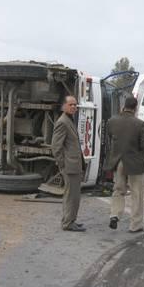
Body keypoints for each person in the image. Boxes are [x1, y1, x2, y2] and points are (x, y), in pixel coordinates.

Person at [105, 96, 144, 233]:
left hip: (118, 161)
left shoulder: (112, 121)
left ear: (124, 106)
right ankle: (135, 225)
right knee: (137, 193)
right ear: (135, 108)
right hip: (135, 163)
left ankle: (114, 215)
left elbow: (110, 137)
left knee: (118, 190)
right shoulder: (139, 124)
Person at [51, 96, 86, 232]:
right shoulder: (62, 122)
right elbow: (56, 146)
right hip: (69, 166)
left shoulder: (69, 120)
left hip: (74, 165)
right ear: (64, 106)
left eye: (75, 105)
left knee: (74, 195)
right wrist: (62, 165)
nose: (74, 107)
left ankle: (71, 220)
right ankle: (68, 223)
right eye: (71, 104)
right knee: (71, 195)